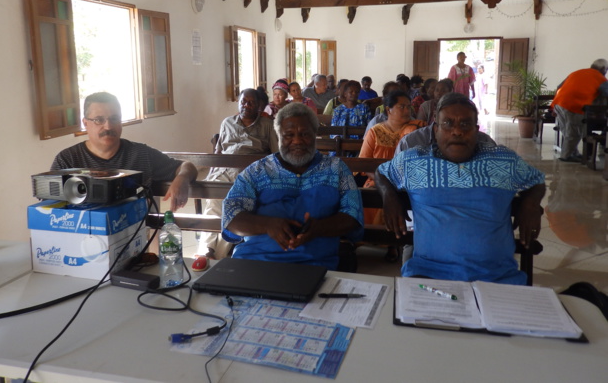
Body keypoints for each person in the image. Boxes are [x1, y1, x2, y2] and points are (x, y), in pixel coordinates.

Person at [375, 93, 545, 285]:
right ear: (436, 130)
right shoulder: (414, 161)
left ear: (476, 129)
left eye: (465, 124)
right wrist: (389, 195)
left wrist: (530, 203)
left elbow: (536, 180)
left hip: (497, 277)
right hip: (428, 274)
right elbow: (382, 173)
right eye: (448, 124)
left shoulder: (504, 160)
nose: (457, 131)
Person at [221, 102, 364, 270]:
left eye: (305, 134)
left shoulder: (336, 169)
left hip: (314, 266)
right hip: (254, 263)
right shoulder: (257, 171)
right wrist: (267, 225)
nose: (297, 141)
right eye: (288, 135)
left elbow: (353, 215)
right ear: (278, 136)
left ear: (315, 134)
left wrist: (319, 228)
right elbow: (230, 216)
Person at [51, 92, 197, 211]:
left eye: (114, 119)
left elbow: (186, 166)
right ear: (85, 123)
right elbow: (50, 205)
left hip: (134, 235)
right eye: (99, 120)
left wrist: (182, 178)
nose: (108, 126)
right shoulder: (67, 160)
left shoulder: (140, 154)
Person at [196, 89, 279, 260]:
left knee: (234, 206)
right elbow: (219, 151)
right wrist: (212, 173)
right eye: (243, 101)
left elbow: (275, 154)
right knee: (213, 203)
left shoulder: (267, 125)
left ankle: (217, 254)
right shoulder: (227, 122)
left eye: (251, 102)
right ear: (238, 103)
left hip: (249, 173)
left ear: (258, 106)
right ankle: (207, 249)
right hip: (224, 170)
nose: (246, 105)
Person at [359, 90, 426, 232]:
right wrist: (383, 180)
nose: (407, 110)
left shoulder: (418, 127)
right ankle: (375, 238)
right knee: (371, 194)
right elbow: (364, 164)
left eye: (409, 106)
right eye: (402, 107)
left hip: (409, 181)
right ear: (389, 109)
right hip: (377, 180)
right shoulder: (375, 131)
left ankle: (402, 241)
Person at [552, 59, 608, 162]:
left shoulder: (577, 72)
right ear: (603, 69)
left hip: (559, 103)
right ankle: (566, 156)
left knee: (567, 131)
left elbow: (559, 87)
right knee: (575, 133)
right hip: (574, 105)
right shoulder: (601, 79)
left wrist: (553, 106)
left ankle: (574, 153)